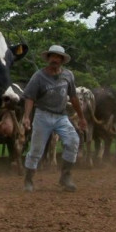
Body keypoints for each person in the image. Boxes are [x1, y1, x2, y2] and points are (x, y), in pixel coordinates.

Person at [22, 45, 87, 192]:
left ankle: (65, 177)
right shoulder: (38, 76)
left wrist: (82, 117)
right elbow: (30, 97)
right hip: (42, 115)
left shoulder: (68, 75)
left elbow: (74, 97)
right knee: (36, 149)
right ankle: (28, 179)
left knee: (73, 141)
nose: (55, 60)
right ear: (48, 58)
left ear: (62, 60)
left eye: (58, 57)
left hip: (61, 116)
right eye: (52, 56)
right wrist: (26, 117)